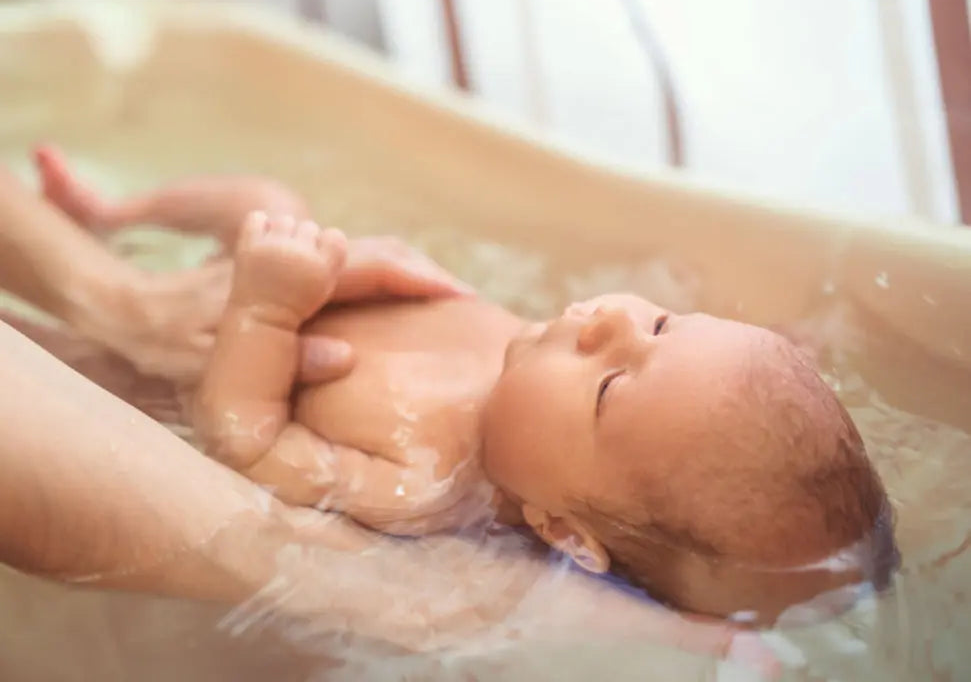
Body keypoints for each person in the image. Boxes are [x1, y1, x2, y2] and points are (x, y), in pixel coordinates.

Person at [31, 146, 899, 626]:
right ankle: (110, 219)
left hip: (218, 337)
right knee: (261, 188)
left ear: (560, 529)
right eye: (664, 325)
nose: (609, 322)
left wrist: (262, 309)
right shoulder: (537, 365)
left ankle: (84, 281)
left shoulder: (422, 483)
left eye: (607, 387)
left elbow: (244, 442)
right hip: (289, 270)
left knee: (74, 363)